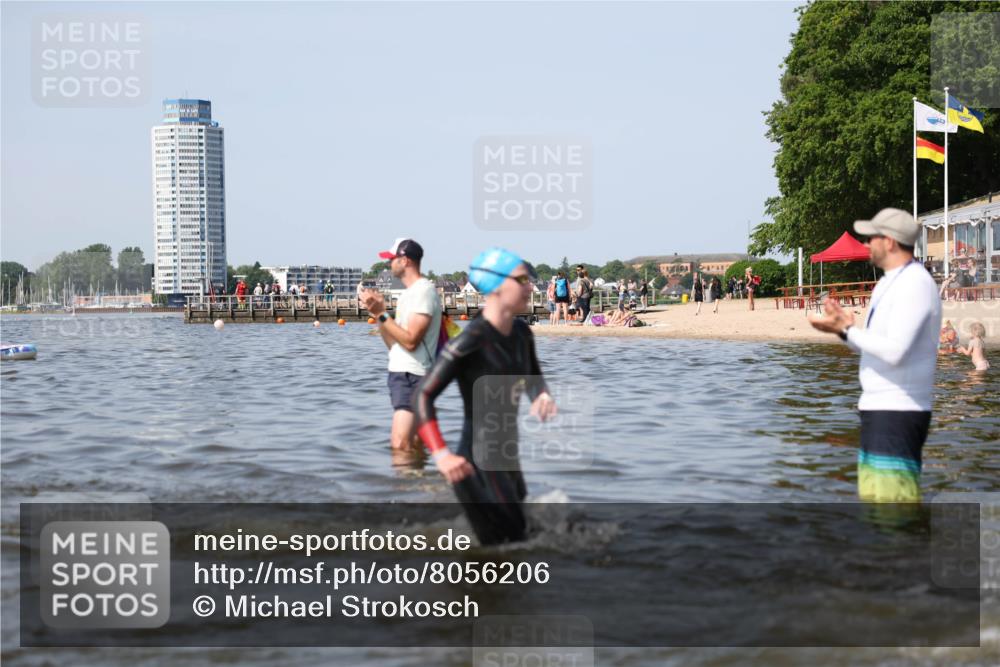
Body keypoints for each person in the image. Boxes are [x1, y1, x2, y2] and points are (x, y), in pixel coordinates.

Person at [414, 248, 556, 545]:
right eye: (522, 280)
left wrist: (541, 396)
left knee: (521, 545)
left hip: (508, 458)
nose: (530, 286)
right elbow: (422, 396)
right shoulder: (471, 340)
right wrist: (441, 454)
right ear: (496, 285)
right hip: (474, 464)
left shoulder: (521, 333)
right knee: (509, 547)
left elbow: (533, 378)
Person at [808, 208, 941, 503]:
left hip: (900, 410)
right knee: (875, 503)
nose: (866, 244)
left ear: (890, 241)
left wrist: (847, 328)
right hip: (877, 407)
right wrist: (843, 330)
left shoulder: (915, 283)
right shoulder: (887, 283)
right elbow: (872, 344)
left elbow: (895, 351)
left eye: (871, 237)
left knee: (894, 507)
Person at [362, 238, 442, 452]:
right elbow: (394, 345)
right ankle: (416, 483)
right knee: (413, 444)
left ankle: (402, 485)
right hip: (404, 373)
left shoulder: (422, 291)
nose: (389, 264)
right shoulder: (409, 294)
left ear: (405, 261)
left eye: (392, 259)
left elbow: (410, 340)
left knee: (400, 444)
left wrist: (381, 313)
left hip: (413, 375)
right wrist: (378, 315)